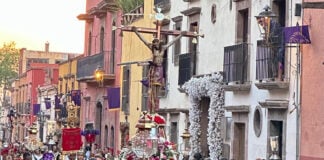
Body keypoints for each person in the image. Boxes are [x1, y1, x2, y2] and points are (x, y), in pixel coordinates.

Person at [132, 26, 187, 112]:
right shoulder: (152, 48)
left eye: (157, 42)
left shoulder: (163, 48)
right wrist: (136, 32)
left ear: (159, 43)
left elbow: (173, 42)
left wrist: (180, 35)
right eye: (154, 43)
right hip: (154, 69)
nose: (156, 44)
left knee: (158, 89)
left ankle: (155, 106)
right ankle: (152, 106)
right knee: (152, 89)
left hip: (160, 69)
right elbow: (143, 40)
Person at [257, 16, 285, 81]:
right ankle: (274, 75)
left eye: (261, 21)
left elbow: (273, 36)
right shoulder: (268, 26)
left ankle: (280, 77)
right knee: (273, 60)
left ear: (264, 18)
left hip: (280, 44)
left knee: (280, 60)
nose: (260, 24)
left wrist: (266, 31)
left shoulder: (274, 23)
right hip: (275, 46)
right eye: (259, 23)